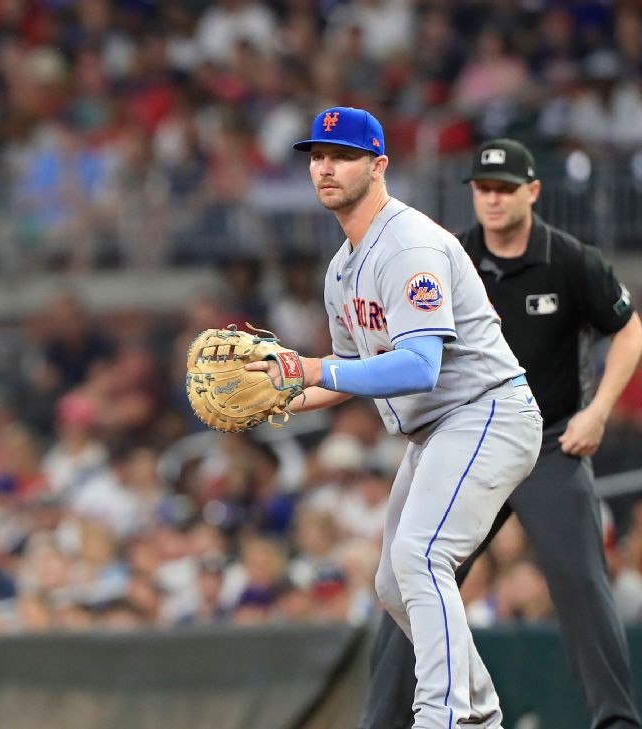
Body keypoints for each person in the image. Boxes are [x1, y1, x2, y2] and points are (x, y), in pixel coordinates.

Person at [251, 107, 542, 728]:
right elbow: (349, 369)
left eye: (343, 155)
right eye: (317, 156)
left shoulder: (406, 243)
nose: (326, 167)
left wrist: (310, 369)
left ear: (378, 165)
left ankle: (440, 717)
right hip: (439, 428)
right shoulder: (341, 268)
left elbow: (418, 367)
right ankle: (482, 714)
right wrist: (275, 398)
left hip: (486, 411)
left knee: (419, 555)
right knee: (392, 584)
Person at [359, 138, 642, 729]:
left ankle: (616, 722)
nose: (491, 199)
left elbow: (630, 328)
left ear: (532, 192)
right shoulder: (450, 255)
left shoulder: (568, 259)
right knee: (412, 579)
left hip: (552, 445)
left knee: (582, 583)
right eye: (482, 188)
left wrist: (599, 411)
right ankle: (381, 722)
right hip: (468, 438)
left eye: (504, 188)